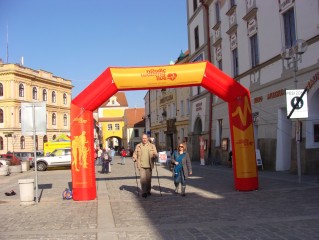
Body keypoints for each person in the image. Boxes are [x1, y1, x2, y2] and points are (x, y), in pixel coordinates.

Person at [132, 134, 158, 198]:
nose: (144, 139)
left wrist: (155, 156)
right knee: (142, 179)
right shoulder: (138, 146)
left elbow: (155, 153)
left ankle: (148, 190)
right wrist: (134, 157)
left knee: (148, 180)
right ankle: (144, 192)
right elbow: (135, 153)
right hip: (141, 165)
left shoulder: (152, 146)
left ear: (147, 138)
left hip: (149, 165)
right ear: (141, 139)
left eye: (145, 138)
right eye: (143, 138)